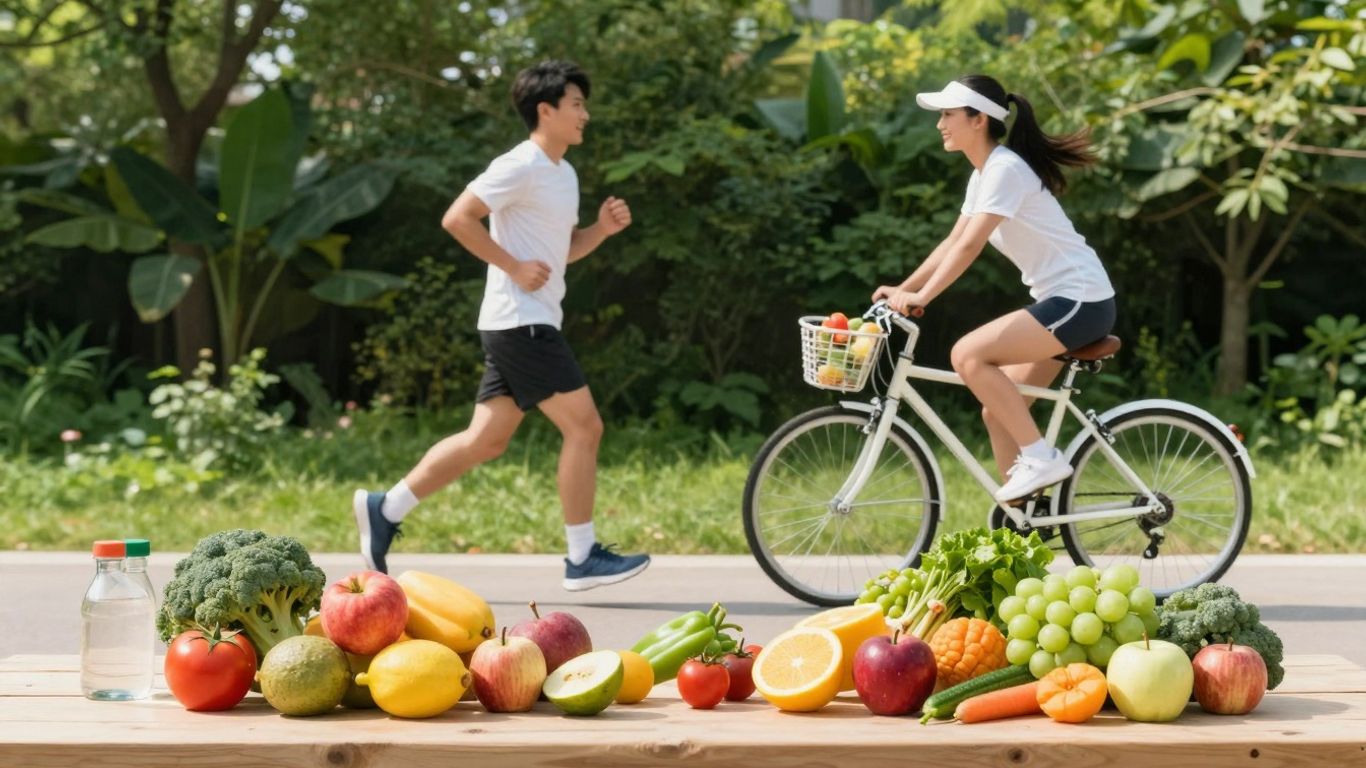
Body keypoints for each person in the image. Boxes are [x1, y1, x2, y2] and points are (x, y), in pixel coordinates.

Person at [353, 60, 650, 591]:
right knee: (585, 427)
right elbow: (457, 217)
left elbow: (559, 255)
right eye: (577, 104)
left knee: (485, 440)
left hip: (522, 321)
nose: (586, 114)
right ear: (546, 110)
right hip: (522, 324)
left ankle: (385, 508)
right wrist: (512, 266)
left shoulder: (563, 173)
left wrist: (600, 231)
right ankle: (582, 557)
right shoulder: (521, 164)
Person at [873, 74, 1116, 504]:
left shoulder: (1005, 169)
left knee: (967, 354)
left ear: (978, 119)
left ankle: (1042, 457)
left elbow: (970, 245)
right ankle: (1023, 522)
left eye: (948, 114)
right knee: (999, 412)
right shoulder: (985, 174)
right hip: (1064, 301)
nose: (940, 124)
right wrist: (903, 288)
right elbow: (951, 241)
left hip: (1079, 299)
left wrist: (923, 298)